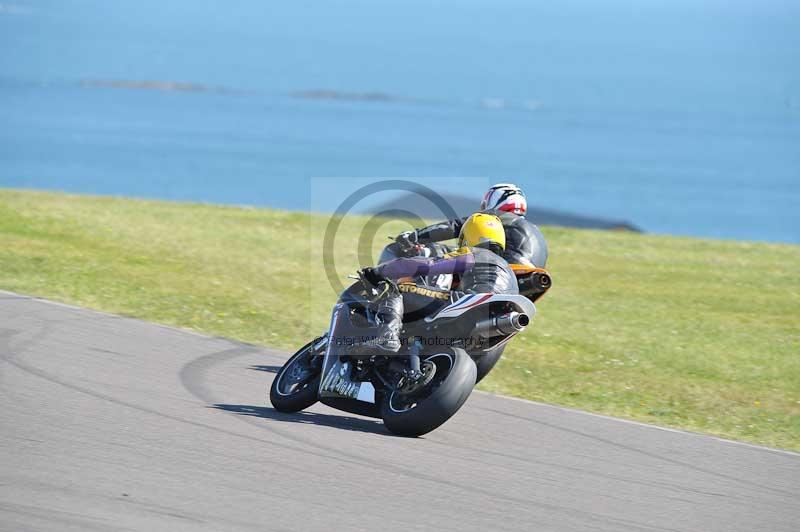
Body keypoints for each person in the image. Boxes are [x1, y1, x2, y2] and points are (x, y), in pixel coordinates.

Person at [360, 213, 517, 353]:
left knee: (398, 289)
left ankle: (388, 336)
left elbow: (425, 265)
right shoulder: (510, 270)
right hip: (498, 318)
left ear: (468, 235)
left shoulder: (473, 254)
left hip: (472, 302)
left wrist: (378, 272)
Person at [395, 183, 548, 268]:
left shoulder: (495, 218)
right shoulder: (535, 229)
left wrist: (415, 236)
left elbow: (454, 226)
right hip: (529, 282)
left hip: (505, 271)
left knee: (439, 252)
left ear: (495, 200)